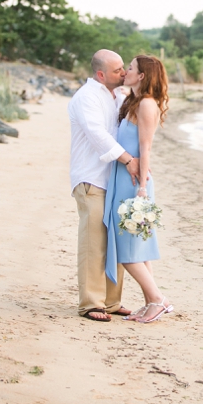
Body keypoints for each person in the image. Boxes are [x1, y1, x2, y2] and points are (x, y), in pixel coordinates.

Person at [68, 49, 142, 322]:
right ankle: (91, 303)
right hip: (91, 178)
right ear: (101, 74)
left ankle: (111, 302)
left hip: (114, 180)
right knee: (94, 241)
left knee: (114, 240)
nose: (123, 73)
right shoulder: (86, 98)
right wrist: (128, 160)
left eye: (124, 68)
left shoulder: (118, 96)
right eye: (117, 70)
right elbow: (97, 134)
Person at [103, 55, 173, 323]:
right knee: (137, 247)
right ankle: (149, 303)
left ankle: (158, 299)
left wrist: (142, 187)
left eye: (130, 68)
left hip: (134, 183)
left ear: (142, 75)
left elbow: (145, 148)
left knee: (127, 248)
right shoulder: (133, 101)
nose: (125, 72)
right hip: (124, 178)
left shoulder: (146, 104)